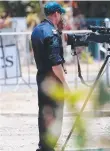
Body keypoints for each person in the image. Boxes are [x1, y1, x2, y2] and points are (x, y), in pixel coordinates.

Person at [31, 2, 70, 151]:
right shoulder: (52, 33)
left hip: (41, 78)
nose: (61, 18)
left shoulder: (37, 30)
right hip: (53, 81)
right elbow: (55, 64)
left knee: (44, 115)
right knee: (55, 117)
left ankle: (44, 147)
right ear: (56, 14)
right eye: (61, 14)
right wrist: (65, 85)